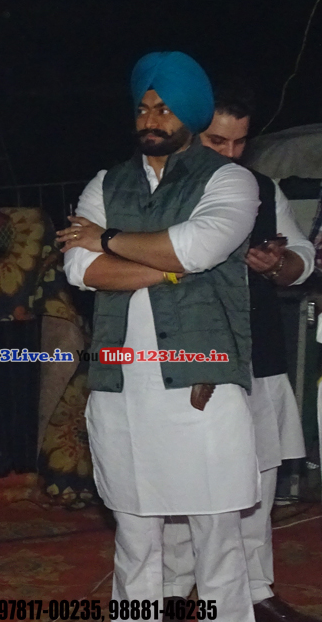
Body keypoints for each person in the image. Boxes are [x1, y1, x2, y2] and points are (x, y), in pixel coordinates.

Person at [57, 51, 259, 622]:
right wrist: (170, 266)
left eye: (165, 108)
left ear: (191, 114)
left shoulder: (230, 180)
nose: (151, 119)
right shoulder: (106, 182)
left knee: (217, 539)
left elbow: (199, 246)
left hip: (202, 384)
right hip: (122, 388)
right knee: (134, 539)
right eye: (143, 108)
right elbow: (81, 270)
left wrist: (108, 238)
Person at [162, 86, 318, 622]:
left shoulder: (261, 189)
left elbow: (300, 258)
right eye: (216, 141)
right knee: (185, 476)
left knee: (258, 476)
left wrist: (278, 265)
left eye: (239, 143)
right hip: (187, 355)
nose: (229, 153)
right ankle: (174, 588)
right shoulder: (159, 188)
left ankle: (255, 589)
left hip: (256, 353)